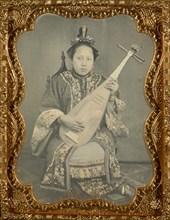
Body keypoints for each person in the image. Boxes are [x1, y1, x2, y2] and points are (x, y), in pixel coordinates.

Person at [31, 25, 131, 200]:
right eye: (79, 58)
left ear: (94, 60)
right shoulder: (59, 81)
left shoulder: (102, 82)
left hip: (96, 132)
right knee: (59, 151)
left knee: (103, 147)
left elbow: (112, 115)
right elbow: (46, 109)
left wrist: (113, 94)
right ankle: (75, 185)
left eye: (88, 58)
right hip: (64, 132)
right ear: (71, 59)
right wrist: (63, 119)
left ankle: (90, 184)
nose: (84, 63)